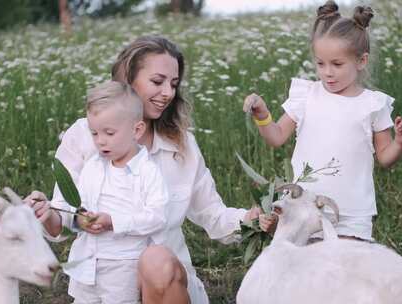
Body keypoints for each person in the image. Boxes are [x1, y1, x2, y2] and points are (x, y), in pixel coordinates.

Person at [25, 36, 262, 304]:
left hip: (164, 285)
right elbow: (65, 217)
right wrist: (45, 212)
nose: (168, 93)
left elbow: (212, 214)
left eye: (173, 84)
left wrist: (252, 220)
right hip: (103, 281)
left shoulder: (182, 145)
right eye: (157, 82)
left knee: (155, 259)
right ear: (128, 81)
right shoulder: (85, 135)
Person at [246, 1, 402, 241]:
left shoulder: (372, 105)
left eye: (337, 64)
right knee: (304, 268)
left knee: (347, 270)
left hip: (351, 213)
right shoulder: (307, 95)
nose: (327, 72)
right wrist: (262, 116)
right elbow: (277, 137)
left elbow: (385, 158)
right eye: (320, 63)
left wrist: (400, 141)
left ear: (361, 61)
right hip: (303, 207)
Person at [36, 80, 168, 303]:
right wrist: (58, 213)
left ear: (136, 130)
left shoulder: (147, 172)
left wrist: (113, 222)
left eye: (109, 133)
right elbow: (77, 210)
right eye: (94, 133)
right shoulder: (93, 167)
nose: (100, 141)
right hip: (87, 263)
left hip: (123, 266)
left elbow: (157, 216)